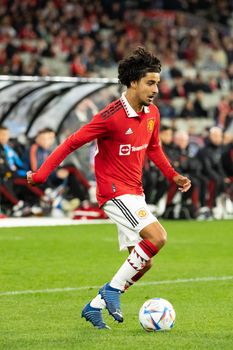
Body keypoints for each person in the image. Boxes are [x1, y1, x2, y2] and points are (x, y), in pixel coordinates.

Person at [27, 47, 191, 329]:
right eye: (150, 82)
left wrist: (172, 175)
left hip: (134, 191)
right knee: (158, 237)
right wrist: (42, 174)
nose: (155, 89)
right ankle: (112, 291)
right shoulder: (110, 116)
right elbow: (70, 143)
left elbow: (154, 148)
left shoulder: (152, 113)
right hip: (114, 192)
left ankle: (94, 306)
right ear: (133, 82)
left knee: (143, 262)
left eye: (157, 83)